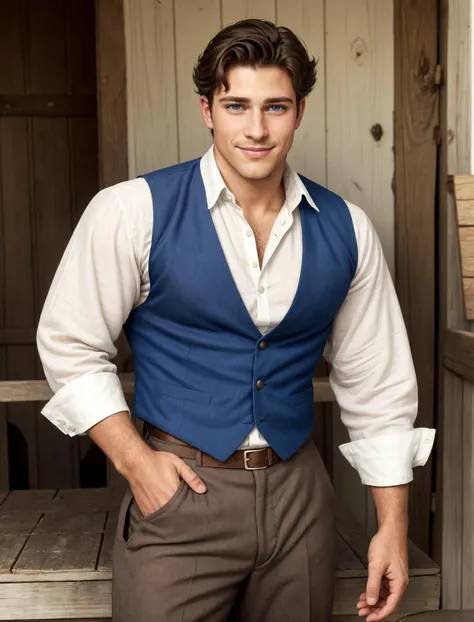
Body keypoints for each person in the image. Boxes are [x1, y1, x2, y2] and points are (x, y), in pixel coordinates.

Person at [37, 18, 435, 622]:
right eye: (236, 105)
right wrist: (137, 465)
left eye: (275, 106)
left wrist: (392, 527)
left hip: (300, 497)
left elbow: (377, 385)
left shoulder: (347, 228)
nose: (255, 128)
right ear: (207, 110)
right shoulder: (132, 210)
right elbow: (68, 343)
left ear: (299, 111)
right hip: (180, 490)